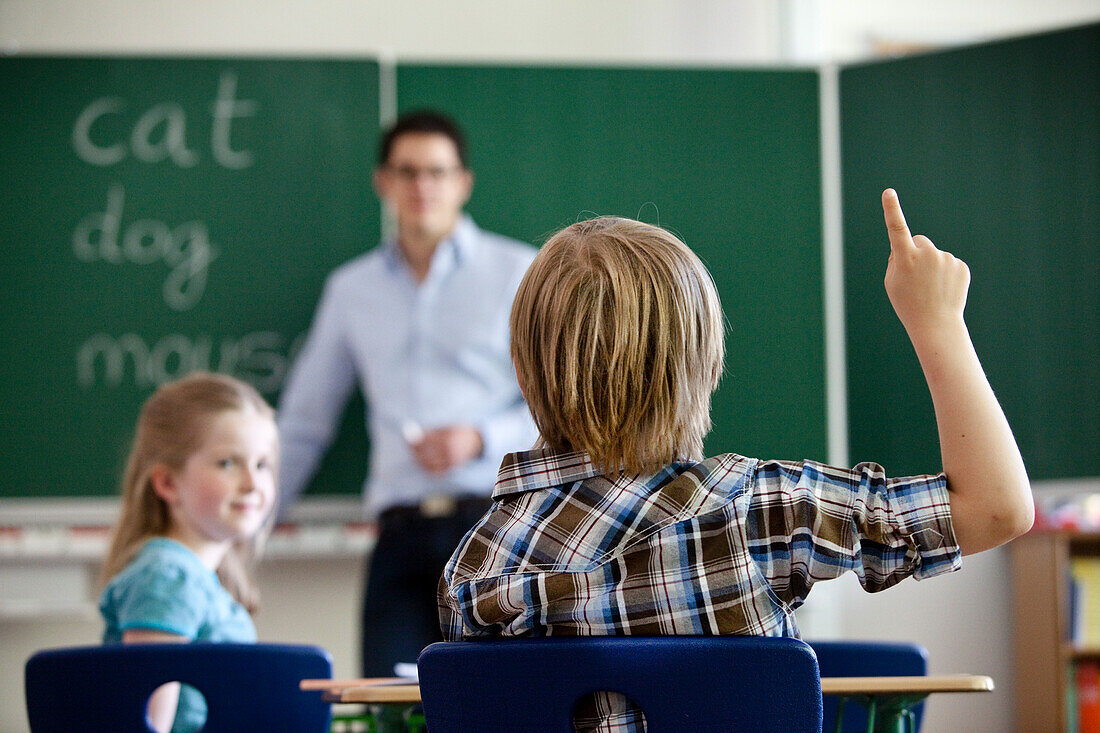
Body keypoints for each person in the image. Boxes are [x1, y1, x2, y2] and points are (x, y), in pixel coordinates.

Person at [438, 190, 1034, 732]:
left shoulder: (475, 569)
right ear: (702, 367)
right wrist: (938, 324)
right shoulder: (759, 512)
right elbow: (998, 508)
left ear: (521, 371)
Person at [277, 109, 538, 676]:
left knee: (492, 705)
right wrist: (240, 535)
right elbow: (304, 423)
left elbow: (566, 410)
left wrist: (480, 438)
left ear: (463, 183)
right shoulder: (352, 290)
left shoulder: (521, 273)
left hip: (493, 529)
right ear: (383, 182)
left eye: (438, 172)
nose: (423, 187)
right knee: (384, 706)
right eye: (408, 171)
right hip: (396, 534)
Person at [99, 371, 278, 733]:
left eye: (262, 464)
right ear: (167, 483)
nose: (252, 483)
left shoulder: (193, 577)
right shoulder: (168, 577)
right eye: (227, 463)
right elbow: (149, 725)